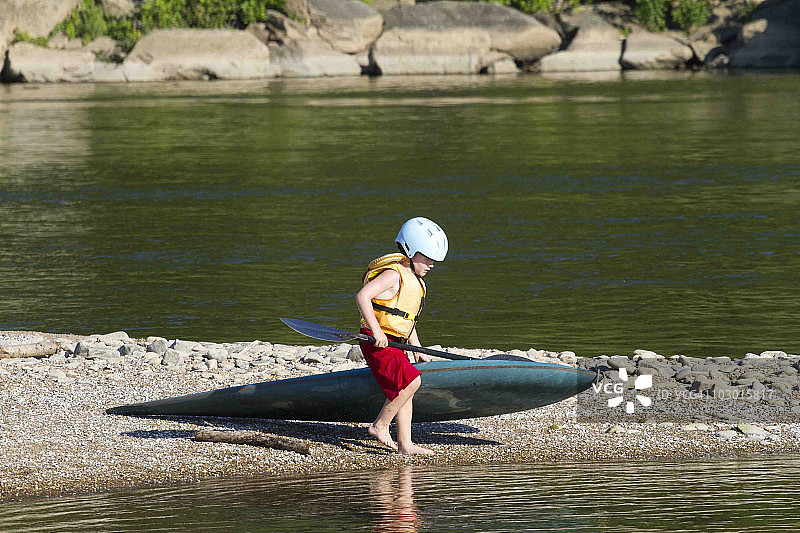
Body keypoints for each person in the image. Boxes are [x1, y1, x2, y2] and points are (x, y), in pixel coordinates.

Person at [355, 217, 448, 455]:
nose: (431, 265)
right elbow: (362, 297)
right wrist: (376, 331)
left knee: (405, 389)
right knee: (411, 382)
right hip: (376, 340)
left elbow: (406, 319)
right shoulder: (393, 274)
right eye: (427, 258)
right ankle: (379, 425)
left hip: (396, 341)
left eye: (433, 260)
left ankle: (405, 444)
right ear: (410, 250)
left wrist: (417, 347)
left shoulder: (415, 281)